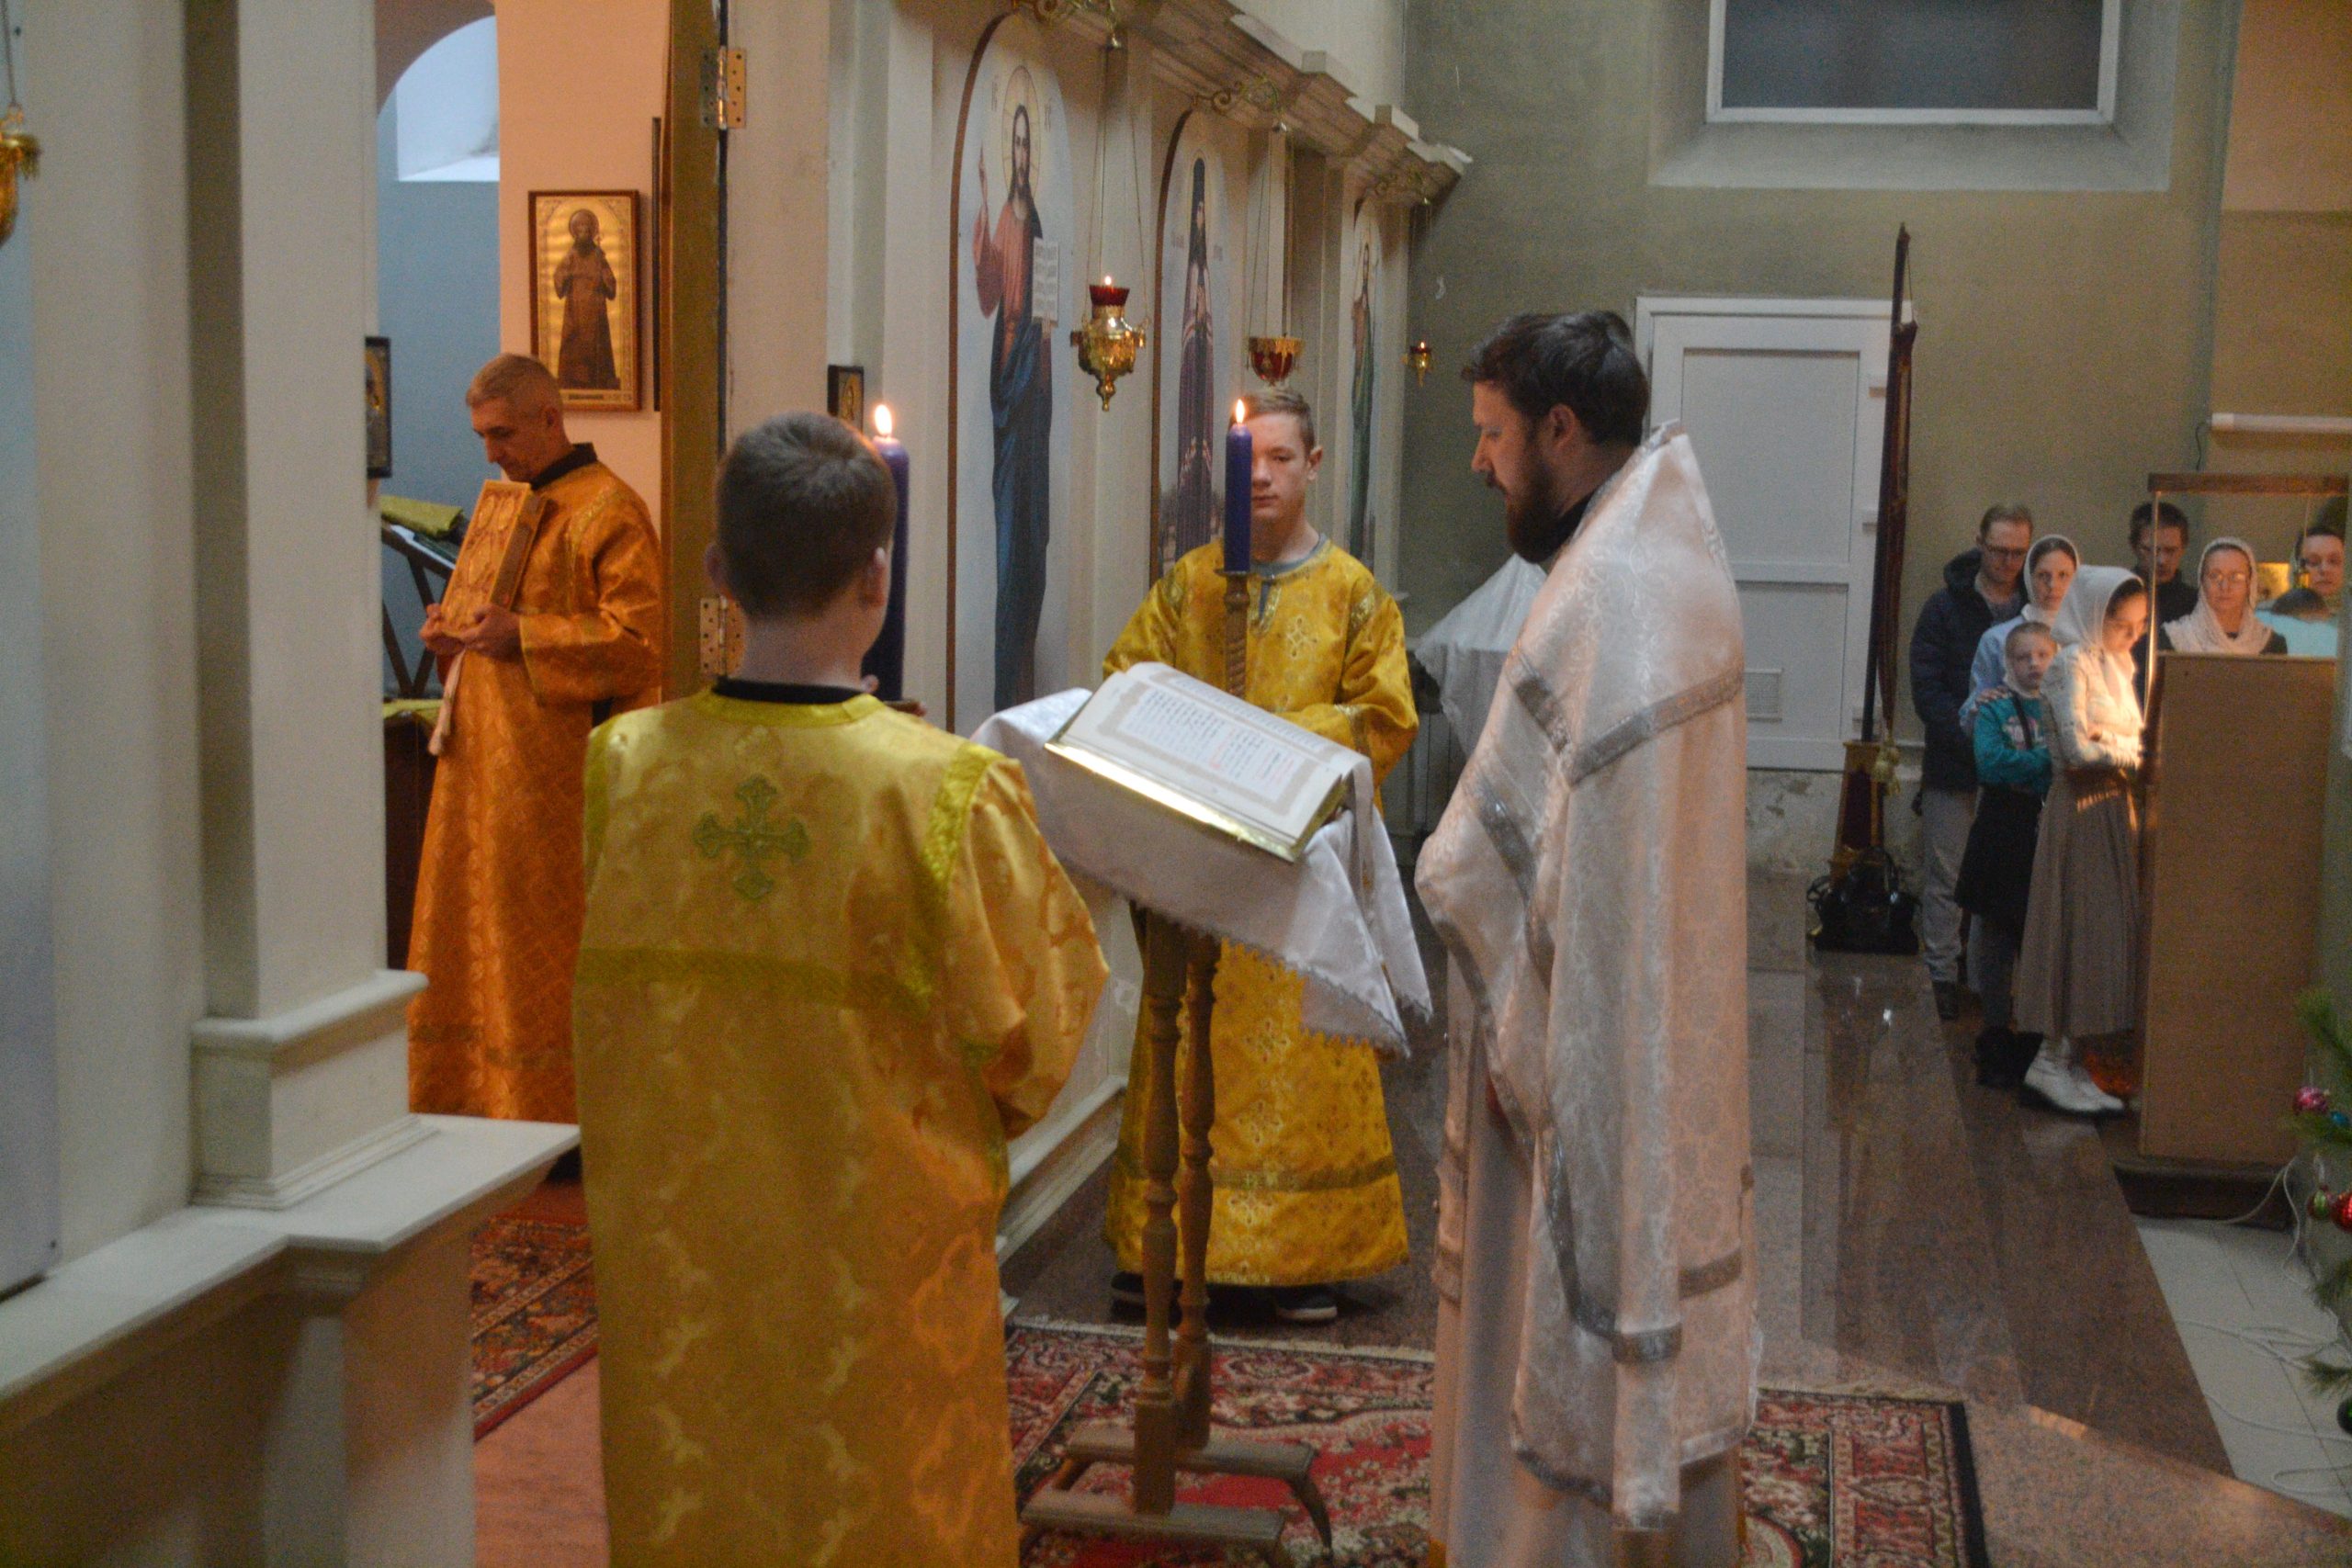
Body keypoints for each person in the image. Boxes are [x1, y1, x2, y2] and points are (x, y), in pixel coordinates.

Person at [571, 412, 1106, 1564]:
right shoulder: (946, 791)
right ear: (877, 575)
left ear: (717, 571)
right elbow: (1041, 1038)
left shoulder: (625, 768)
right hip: (875, 1274)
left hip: (679, 1275)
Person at [1419, 312, 1753, 1566]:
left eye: (1493, 434)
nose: (1479, 462)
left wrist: (1458, 893)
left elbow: (1500, 858)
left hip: (1586, 1028)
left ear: (1560, 429)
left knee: (1561, 1287)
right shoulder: (1659, 550)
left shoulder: (1612, 589)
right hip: (1643, 1007)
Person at [1099, 387, 1417, 1325]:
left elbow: (1383, 717)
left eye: (1282, 458)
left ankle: (1300, 1252)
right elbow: (1125, 684)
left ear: (1313, 465)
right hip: (1199, 860)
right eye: (1252, 459)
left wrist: (1271, 744)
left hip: (1296, 861)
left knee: (1297, 1058)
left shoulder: (1353, 592)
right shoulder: (1188, 584)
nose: (1265, 476)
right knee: (1183, 1042)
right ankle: (1160, 1240)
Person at [408, 354, 662, 1122]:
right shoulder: (504, 510)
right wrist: (451, 638)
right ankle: (468, 1096)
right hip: (477, 768)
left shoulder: (610, 511)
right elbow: (486, 634)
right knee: (469, 930)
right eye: (482, 436)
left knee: (531, 944)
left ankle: (544, 1113)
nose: (492, 452)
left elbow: (640, 642)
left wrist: (522, 634)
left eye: (503, 434)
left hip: (550, 782)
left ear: (550, 419)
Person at [2014, 569, 2148, 1118]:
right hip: (2080, 811)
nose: (2132, 637)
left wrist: (2111, 742)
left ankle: (2072, 1057)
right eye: (2122, 626)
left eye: (2139, 626)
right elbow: (2075, 751)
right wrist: (2127, 753)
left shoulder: (2117, 666)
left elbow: (2119, 738)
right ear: (2095, 615)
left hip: (2113, 810)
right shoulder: (2070, 664)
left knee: (2102, 936)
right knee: (2075, 927)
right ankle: (2049, 1057)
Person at [1909, 502, 2032, 1020]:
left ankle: (1987, 980)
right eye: (1999, 549)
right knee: (1947, 874)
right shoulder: (1945, 608)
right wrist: (1973, 739)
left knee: (1997, 880)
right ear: (1979, 542)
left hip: (2014, 769)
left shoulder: (2035, 610)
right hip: (1956, 760)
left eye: (2018, 553)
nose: (2007, 562)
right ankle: (1940, 973)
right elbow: (1927, 687)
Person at [971, 96, 1053, 710]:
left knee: (1032, 531)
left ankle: (1024, 665)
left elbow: (1045, 310)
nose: (1022, 154)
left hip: (1036, 385)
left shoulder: (1038, 219)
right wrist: (982, 225)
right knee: (1008, 525)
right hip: (1008, 373)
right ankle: (1005, 673)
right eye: (1016, 144)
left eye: (1027, 145)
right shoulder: (1004, 213)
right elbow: (989, 293)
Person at [1955, 621, 2057, 1089]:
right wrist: (2047, 761)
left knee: (2035, 937)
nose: (2034, 664)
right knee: (1995, 935)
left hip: (2043, 827)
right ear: (2007, 663)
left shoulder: (2059, 706)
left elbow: (2067, 765)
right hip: (2001, 828)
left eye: (2042, 655)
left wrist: (2042, 767)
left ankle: (2034, 1033)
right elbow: (1992, 764)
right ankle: (1995, 1029)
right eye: (2023, 657)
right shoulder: (1994, 707)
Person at [1967, 534, 2076, 700]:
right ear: (2029, 578)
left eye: (2063, 575)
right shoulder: (1997, 639)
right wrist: (1982, 702)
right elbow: (1974, 705)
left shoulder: (2091, 638)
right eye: (2043, 575)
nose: (2053, 585)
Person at [2160, 536, 2287, 656]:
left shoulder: (2270, 643)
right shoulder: (2175, 638)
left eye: (2236, 577)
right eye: (2215, 576)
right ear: (2202, 582)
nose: (2225, 587)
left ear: (2250, 583)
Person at [552, 208, 620, 391]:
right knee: (575, 346)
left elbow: (610, 281)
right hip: (575, 309)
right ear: (575, 232)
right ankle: (573, 380)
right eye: (580, 228)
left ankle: (599, 380)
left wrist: (604, 280)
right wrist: (568, 275)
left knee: (596, 346)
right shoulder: (570, 256)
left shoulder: (598, 256)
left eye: (587, 229)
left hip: (595, 309)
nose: (583, 232)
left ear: (591, 232)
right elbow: (559, 277)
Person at [2261, 512, 2345, 656]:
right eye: (2313, 562)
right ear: (2296, 566)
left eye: (2334, 561)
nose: (2324, 569)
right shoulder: (2267, 617)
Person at [2130, 499, 2198, 626]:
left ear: (2183, 548)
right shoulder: (2117, 597)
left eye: (2171, 550)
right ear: (2134, 547)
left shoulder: (2197, 606)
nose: (2162, 560)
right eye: (2151, 550)